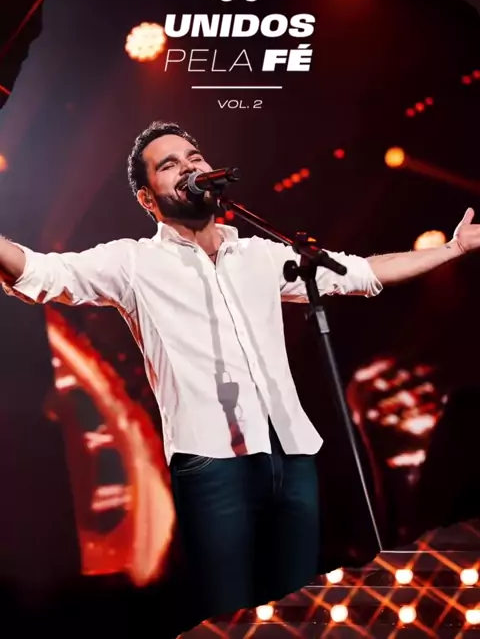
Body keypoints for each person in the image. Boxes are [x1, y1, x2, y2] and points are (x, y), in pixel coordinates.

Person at [1, 120, 479, 618]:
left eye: (194, 158)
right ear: (147, 199)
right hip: (212, 464)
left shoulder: (262, 255)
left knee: (295, 613)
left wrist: (454, 248)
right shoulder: (132, 263)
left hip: (290, 454)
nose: (188, 167)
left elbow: (361, 273)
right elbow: (40, 273)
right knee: (231, 615)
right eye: (169, 165)